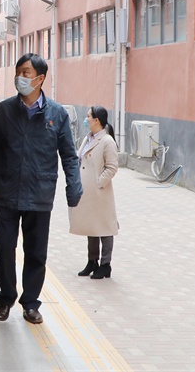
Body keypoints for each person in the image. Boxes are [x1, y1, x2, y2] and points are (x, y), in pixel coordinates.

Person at [0, 53, 83, 324]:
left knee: (36, 252)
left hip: (39, 193)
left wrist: (74, 187)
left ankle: (31, 304)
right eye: (18, 72)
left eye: (26, 72)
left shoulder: (57, 114)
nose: (20, 77)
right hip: (7, 191)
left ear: (40, 78)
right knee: (3, 246)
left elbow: (69, 155)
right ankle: (6, 298)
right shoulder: (4, 111)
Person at [70, 106, 119, 280]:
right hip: (88, 193)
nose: (86, 119)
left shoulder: (107, 141)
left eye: (88, 116)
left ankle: (106, 265)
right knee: (91, 225)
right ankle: (92, 261)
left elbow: (112, 167)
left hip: (100, 192)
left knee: (105, 227)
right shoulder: (88, 138)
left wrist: (99, 183)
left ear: (96, 120)